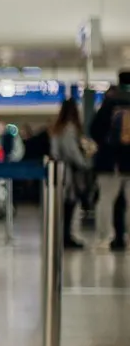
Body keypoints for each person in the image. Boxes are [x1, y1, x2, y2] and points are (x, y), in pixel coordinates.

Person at [88, 71, 130, 250]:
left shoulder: (110, 101)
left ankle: (105, 236)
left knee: (105, 199)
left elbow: (94, 129)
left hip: (109, 162)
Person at [50, 98, 94, 249]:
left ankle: (62, 236)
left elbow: (54, 151)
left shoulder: (57, 129)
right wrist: (85, 163)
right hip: (69, 172)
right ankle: (66, 237)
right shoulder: (70, 128)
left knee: (62, 207)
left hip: (57, 170)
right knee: (69, 206)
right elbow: (71, 151)